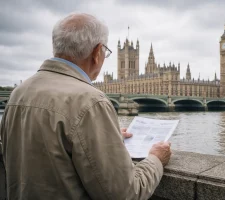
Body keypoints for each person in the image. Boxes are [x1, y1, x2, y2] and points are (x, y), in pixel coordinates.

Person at [0, 13, 171, 200]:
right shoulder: (90, 101)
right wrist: (155, 159)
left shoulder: (20, 93)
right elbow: (126, 194)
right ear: (97, 52)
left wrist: (99, 137)